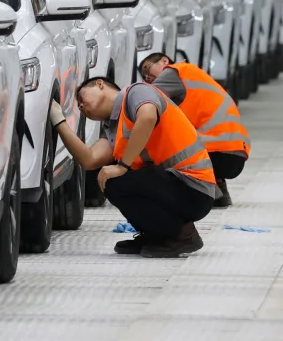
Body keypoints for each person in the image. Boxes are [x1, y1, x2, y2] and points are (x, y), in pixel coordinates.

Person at [49, 77, 217, 258]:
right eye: (78, 106)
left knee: (118, 179)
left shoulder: (137, 92)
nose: (81, 106)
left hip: (194, 186)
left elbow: (147, 117)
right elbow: (89, 159)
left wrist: (122, 166)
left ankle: (183, 235)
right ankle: (156, 236)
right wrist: (59, 121)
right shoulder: (114, 128)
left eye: (82, 98)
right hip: (175, 187)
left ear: (100, 84)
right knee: (110, 181)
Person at [139, 53, 250, 208]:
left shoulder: (173, 72)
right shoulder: (193, 74)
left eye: (147, 69)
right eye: (144, 77)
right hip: (236, 153)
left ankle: (204, 192)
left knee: (164, 148)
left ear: (164, 61)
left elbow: (142, 99)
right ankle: (218, 190)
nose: (147, 78)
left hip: (217, 152)